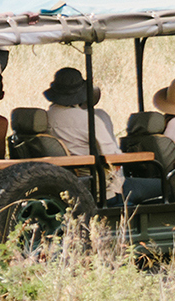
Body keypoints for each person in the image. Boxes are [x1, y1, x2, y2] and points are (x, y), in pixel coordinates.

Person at [43, 67, 130, 201]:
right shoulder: (88, 119)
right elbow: (113, 157)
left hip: (64, 186)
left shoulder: (46, 118)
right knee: (159, 185)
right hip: (101, 190)